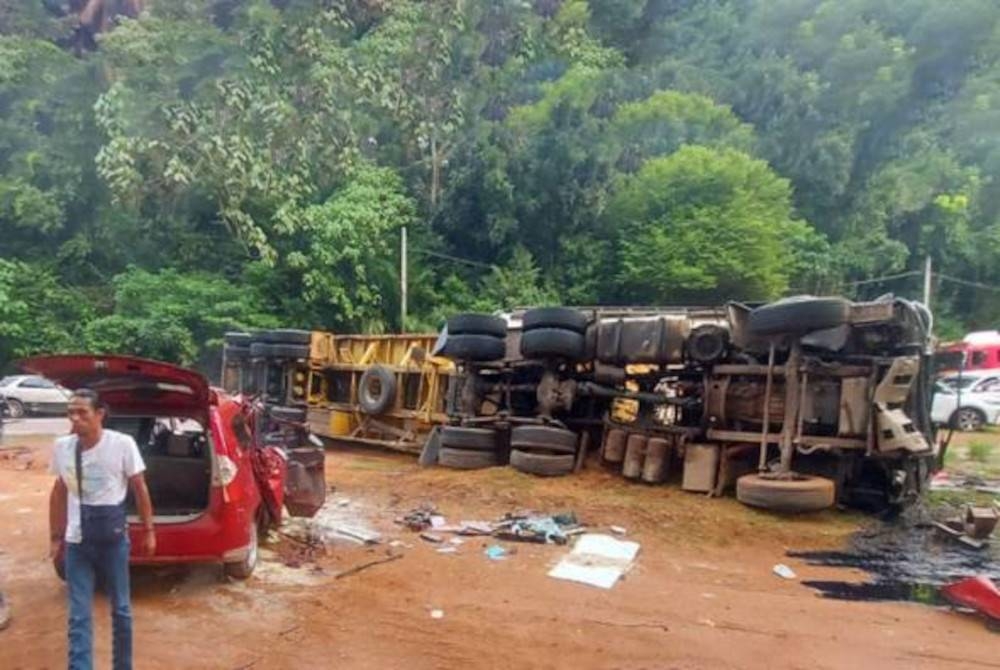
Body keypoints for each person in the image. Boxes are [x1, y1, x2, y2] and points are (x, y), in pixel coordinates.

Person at [48, 389, 156, 670]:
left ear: (100, 414)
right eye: (70, 412)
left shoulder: (122, 444)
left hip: (113, 541)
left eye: (82, 412)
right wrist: (55, 537)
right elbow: (59, 492)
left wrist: (149, 530)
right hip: (77, 542)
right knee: (78, 614)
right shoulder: (62, 446)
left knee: (121, 610)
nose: (75, 418)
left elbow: (139, 487)